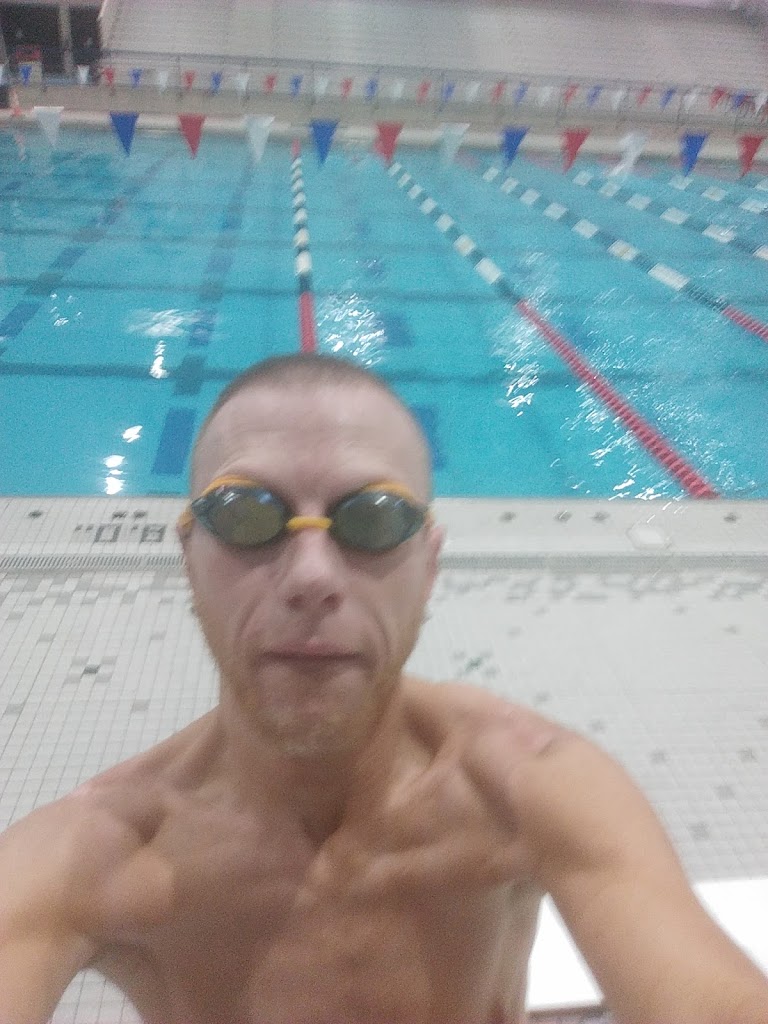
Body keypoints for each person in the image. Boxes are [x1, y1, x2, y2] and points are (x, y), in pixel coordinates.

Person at [1, 352, 767, 1024]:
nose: (311, 578)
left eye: (372, 518)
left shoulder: (529, 788)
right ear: (189, 558)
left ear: (429, 566)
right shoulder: (90, 857)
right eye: (245, 514)